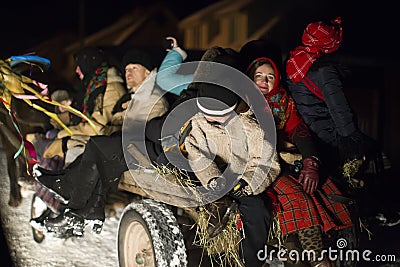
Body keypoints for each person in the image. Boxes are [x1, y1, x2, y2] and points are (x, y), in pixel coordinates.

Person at [240, 39, 354, 267]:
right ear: (250, 77)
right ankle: (317, 258)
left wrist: (311, 160)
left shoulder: (282, 101)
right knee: (297, 196)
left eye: (270, 76)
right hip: (259, 166)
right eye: (259, 76)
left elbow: (297, 128)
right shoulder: (242, 103)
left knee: (321, 188)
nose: (264, 81)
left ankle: (317, 251)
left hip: (285, 161)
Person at [31, 49, 169, 236]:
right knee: (96, 148)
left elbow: (145, 130)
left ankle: (74, 201)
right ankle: (78, 204)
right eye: (126, 69)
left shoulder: (153, 97)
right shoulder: (135, 97)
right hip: (128, 147)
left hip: (143, 152)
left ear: (148, 72)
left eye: (134, 68)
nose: (128, 73)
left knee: (97, 147)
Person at [171, 46, 281, 267]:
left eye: (217, 117)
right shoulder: (200, 124)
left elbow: (267, 162)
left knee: (257, 210)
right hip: (215, 181)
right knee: (199, 202)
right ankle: (206, 252)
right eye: (207, 115)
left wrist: (248, 183)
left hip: (241, 179)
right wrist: (212, 179)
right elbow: (197, 154)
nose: (211, 120)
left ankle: (251, 260)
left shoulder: (250, 128)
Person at [41, 46, 126, 167]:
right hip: (97, 138)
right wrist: (69, 118)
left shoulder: (109, 88)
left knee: (64, 147)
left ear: (88, 64)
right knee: (53, 142)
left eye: (79, 66)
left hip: (106, 141)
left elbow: (97, 128)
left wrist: (65, 134)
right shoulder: (95, 86)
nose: (76, 71)